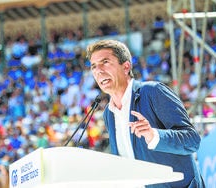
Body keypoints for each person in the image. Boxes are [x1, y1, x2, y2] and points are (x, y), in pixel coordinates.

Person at [86, 39, 205, 188]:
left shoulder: (153, 92)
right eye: (94, 66)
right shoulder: (109, 114)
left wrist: (154, 136)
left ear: (126, 66)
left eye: (105, 62)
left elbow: (192, 141)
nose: (98, 70)